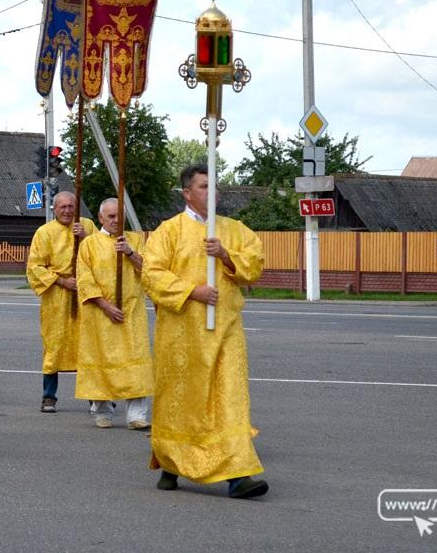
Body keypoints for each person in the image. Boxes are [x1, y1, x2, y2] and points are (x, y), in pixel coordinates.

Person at [142, 165, 269, 499]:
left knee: (229, 399)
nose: (211, 192)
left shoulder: (235, 230)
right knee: (183, 401)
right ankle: (170, 463)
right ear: (187, 193)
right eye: (203, 186)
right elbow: (151, 276)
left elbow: (254, 265)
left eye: (214, 186)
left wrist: (226, 255)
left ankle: (238, 475)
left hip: (226, 332)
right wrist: (192, 291)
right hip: (182, 336)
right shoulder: (168, 232)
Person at [74, 198, 154, 430]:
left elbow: (150, 271)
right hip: (100, 315)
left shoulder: (136, 240)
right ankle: (102, 410)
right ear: (100, 218)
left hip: (131, 313)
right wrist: (105, 305)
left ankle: (136, 415)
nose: (116, 220)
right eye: (110, 216)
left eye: (119, 215)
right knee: (101, 361)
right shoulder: (88, 245)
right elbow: (84, 279)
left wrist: (129, 253)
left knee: (135, 363)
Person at [26, 190, 96, 413]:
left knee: (89, 345)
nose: (67, 210)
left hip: (85, 294)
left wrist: (87, 238)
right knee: (54, 346)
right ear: (54, 209)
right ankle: (49, 396)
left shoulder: (88, 226)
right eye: (62, 207)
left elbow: (103, 253)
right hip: (56, 297)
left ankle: (95, 396)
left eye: (70, 206)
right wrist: (62, 281)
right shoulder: (44, 232)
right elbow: (35, 266)